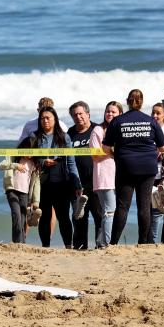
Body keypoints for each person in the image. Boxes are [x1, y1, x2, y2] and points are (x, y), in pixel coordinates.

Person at [102, 90, 164, 244]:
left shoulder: (118, 121)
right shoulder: (150, 121)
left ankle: (113, 243)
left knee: (122, 206)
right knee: (144, 206)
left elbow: (105, 149)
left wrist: (115, 155)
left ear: (127, 101)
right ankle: (143, 242)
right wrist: (151, 152)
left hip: (126, 167)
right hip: (148, 168)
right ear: (142, 102)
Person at [32, 106, 82, 248]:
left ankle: (68, 246)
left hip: (62, 183)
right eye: (42, 118)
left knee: (63, 217)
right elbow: (30, 158)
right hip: (43, 183)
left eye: (48, 118)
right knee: (45, 217)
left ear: (55, 119)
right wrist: (43, 161)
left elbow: (71, 161)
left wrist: (76, 183)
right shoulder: (35, 137)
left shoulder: (64, 137)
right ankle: (46, 246)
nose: (45, 121)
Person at [90, 101, 122, 248]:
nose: (110, 114)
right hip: (104, 177)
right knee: (109, 211)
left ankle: (100, 242)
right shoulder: (98, 130)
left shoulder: (120, 130)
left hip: (119, 176)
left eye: (113, 112)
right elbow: (96, 156)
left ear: (120, 114)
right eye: (108, 111)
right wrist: (113, 151)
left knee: (107, 212)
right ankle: (105, 244)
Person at [67, 102, 97, 250]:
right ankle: (80, 248)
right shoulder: (69, 134)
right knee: (79, 219)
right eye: (74, 115)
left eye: (81, 114)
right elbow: (65, 158)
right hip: (77, 184)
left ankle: (101, 248)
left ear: (88, 114)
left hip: (97, 182)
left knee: (99, 217)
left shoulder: (97, 130)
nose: (78, 117)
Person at [0, 138, 40, 244]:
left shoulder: (34, 164)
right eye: (27, 151)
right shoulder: (13, 157)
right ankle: (18, 242)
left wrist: (36, 201)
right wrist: (15, 165)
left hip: (25, 193)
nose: (29, 155)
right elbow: (1, 165)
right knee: (16, 215)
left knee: (22, 219)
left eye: (32, 152)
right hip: (11, 190)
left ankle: (21, 242)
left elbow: (36, 183)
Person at [149, 102, 164, 243]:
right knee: (151, 211)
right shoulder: (148, 129)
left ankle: (158, 241)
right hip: (149, 174)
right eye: (153, 113)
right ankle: (151, 241)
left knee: (158, 212)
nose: (155, 115)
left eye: (158, 113)